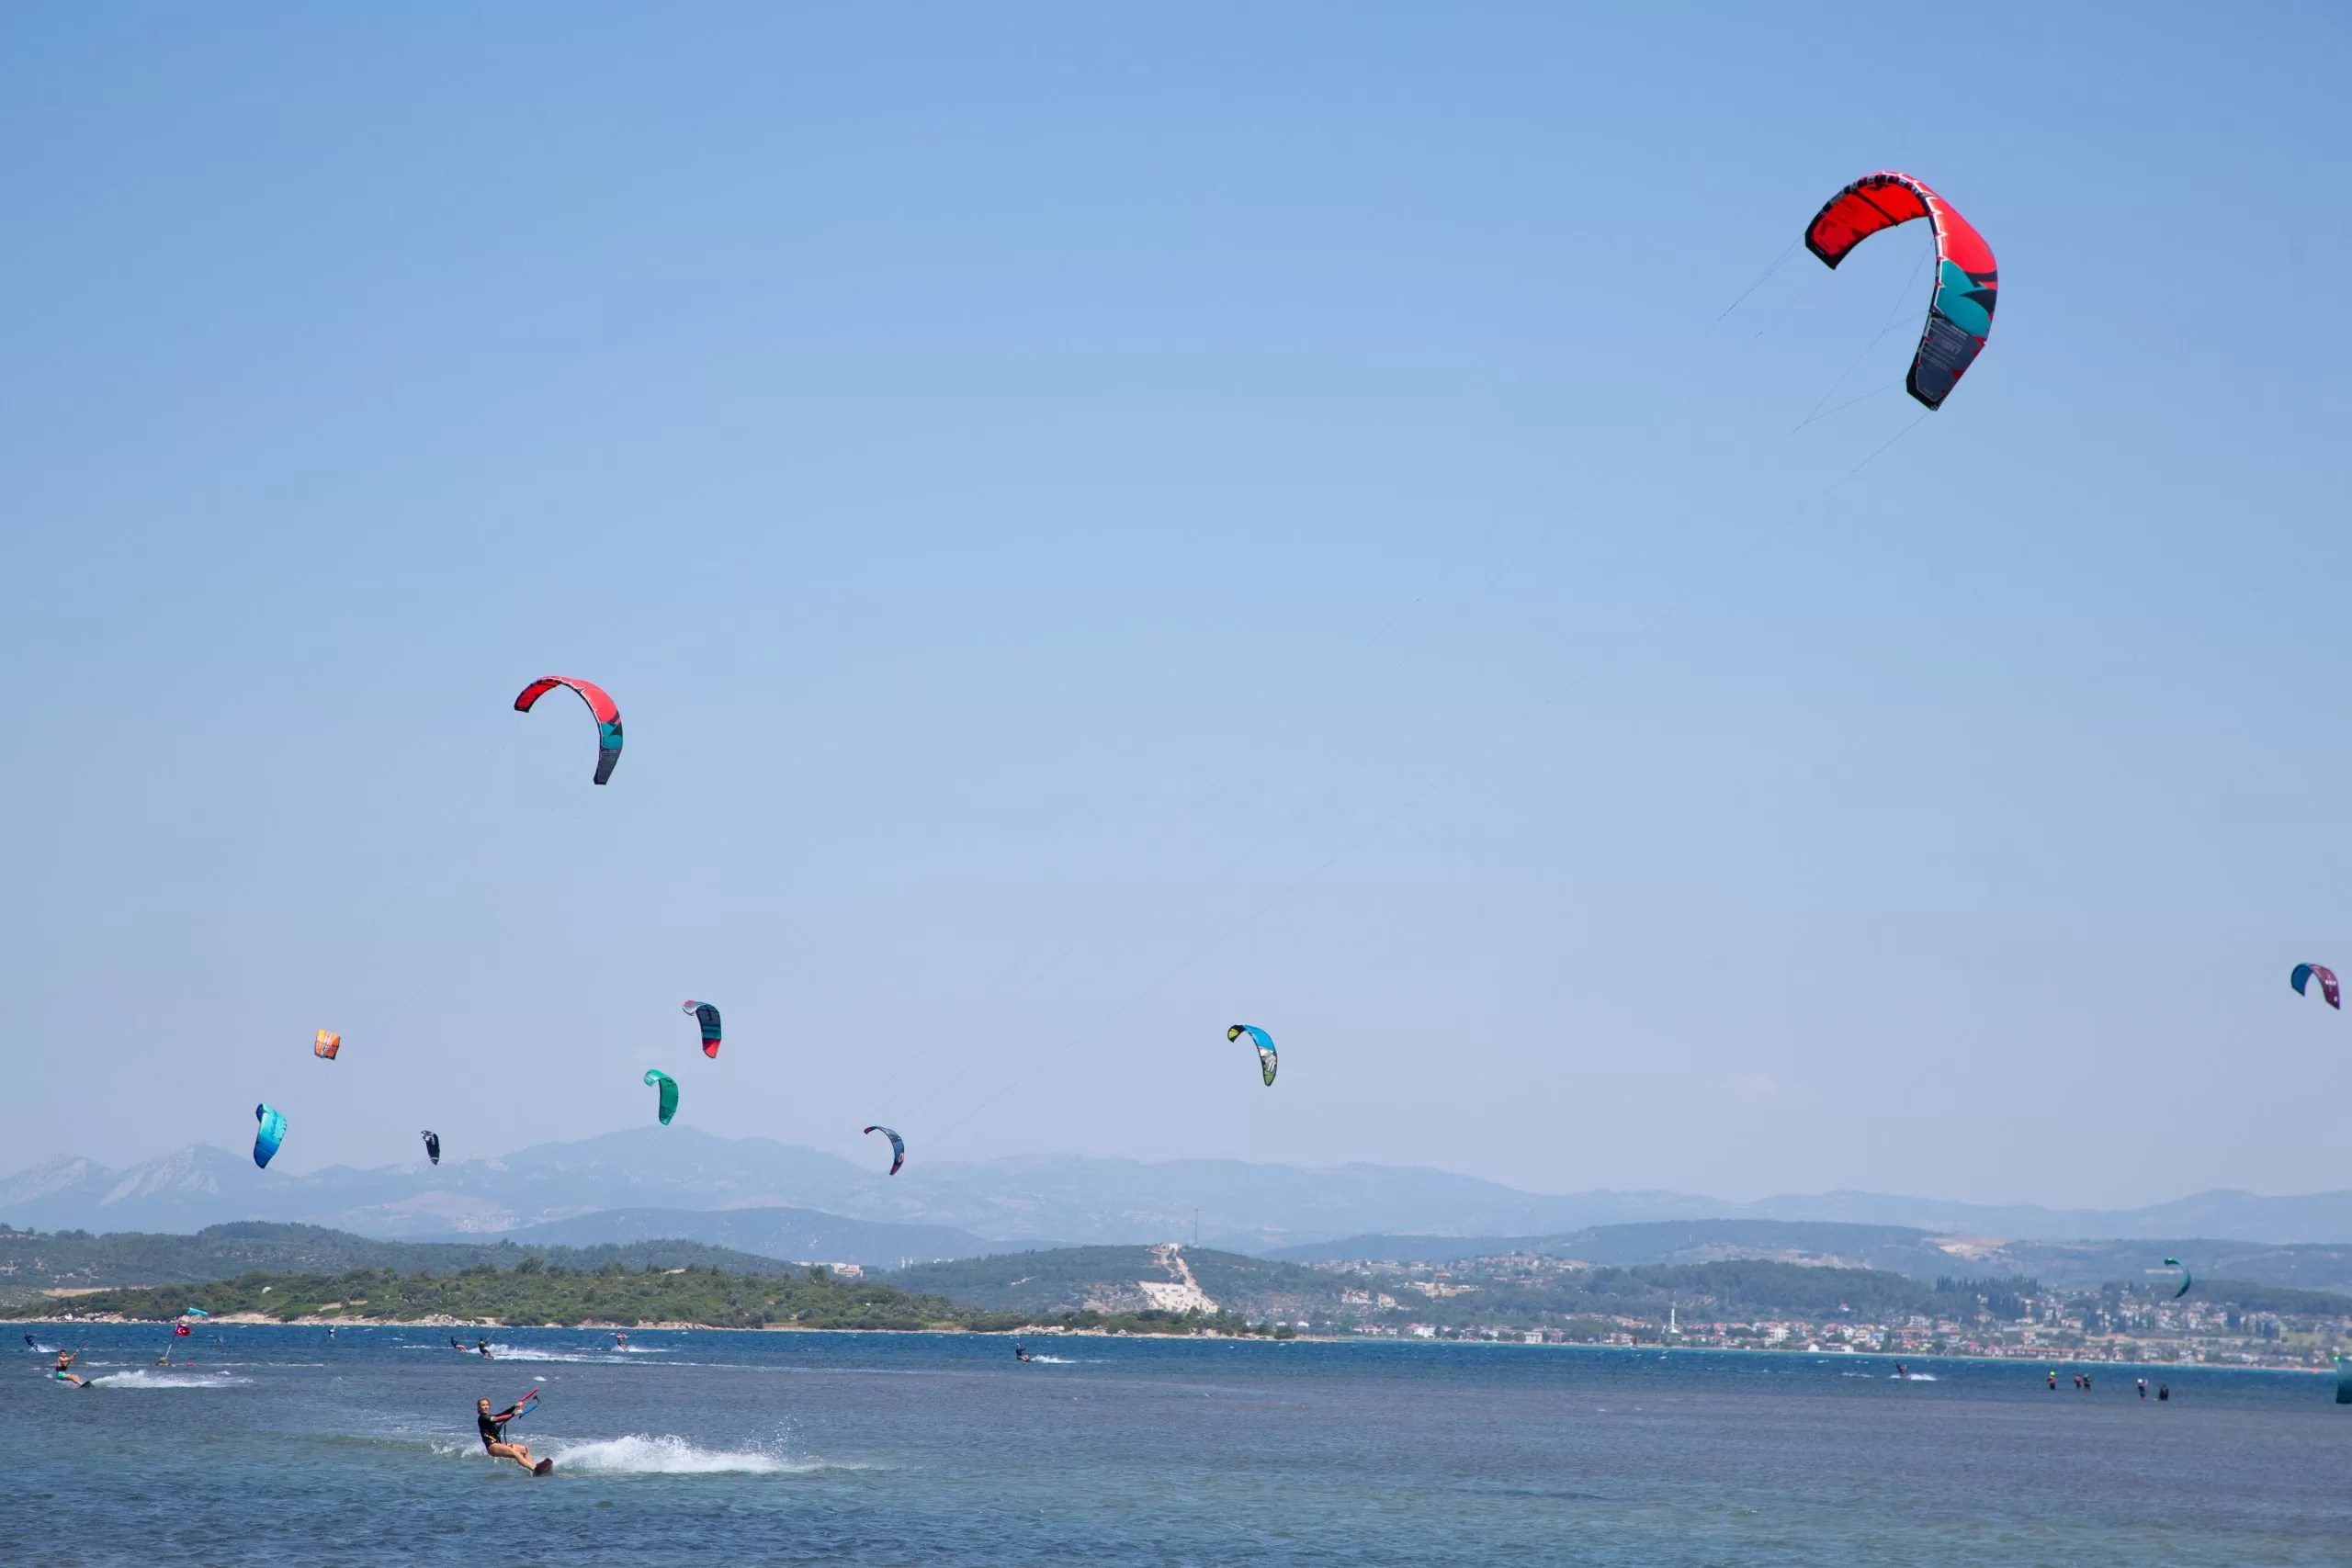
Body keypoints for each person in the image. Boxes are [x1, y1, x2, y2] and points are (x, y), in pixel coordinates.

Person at [476, 1397, 538, 1472]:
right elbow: (497, 1419)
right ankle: (533, 1469)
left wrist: (514, 1407)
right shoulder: (482, 1418)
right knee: (515, 1453)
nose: (486, 1407)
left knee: (524, 1449)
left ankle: (534, 1469)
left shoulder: (489, 1416)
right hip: (492, 1446)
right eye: (483, 1405)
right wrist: (514, 1414)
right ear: (479, 1408)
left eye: (487, 1405)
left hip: (498, 1444)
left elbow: (501, 1415)